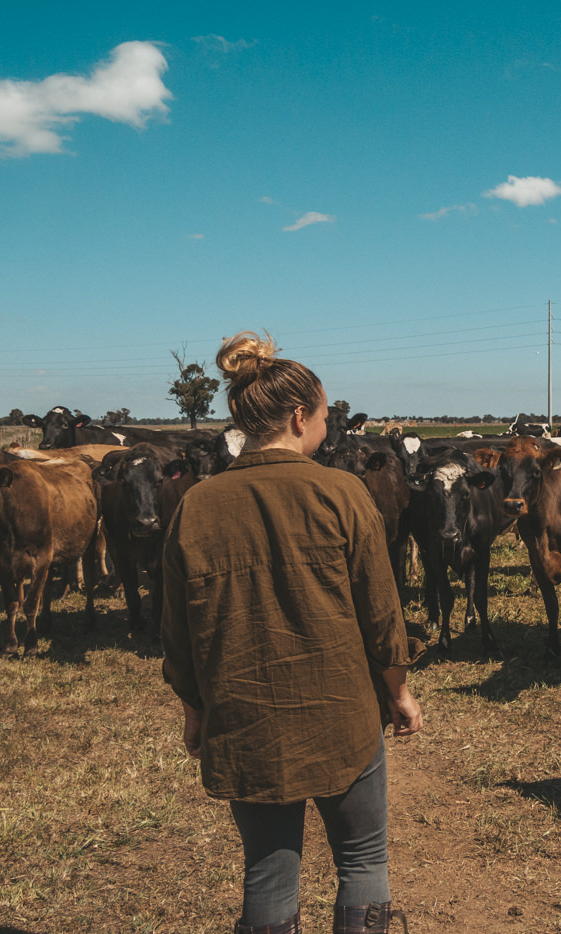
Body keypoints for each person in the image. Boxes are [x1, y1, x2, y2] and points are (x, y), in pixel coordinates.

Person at [162, 331, 422, 934]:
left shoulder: (196, 505)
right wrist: (399, 691)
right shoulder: (342, 493)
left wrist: (195, 710)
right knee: (362, 859)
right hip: (343, 719)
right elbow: (383, 619)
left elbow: (177, 635)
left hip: (245, 718)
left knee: (267, 872)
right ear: (301, 416)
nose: (327, 426)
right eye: (326, 414)